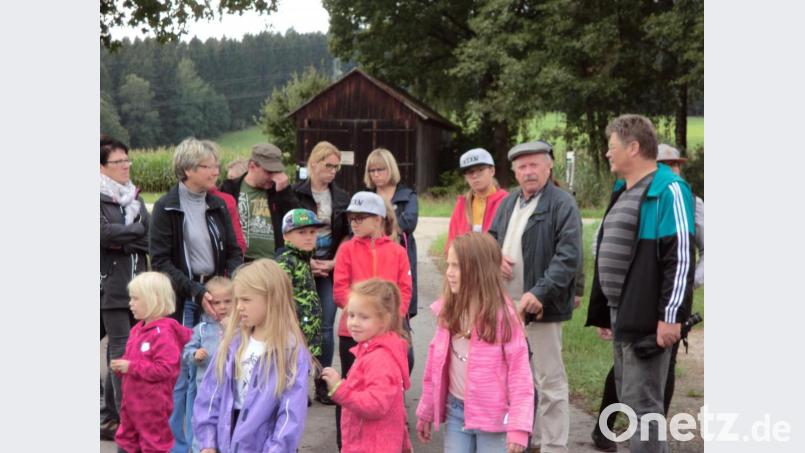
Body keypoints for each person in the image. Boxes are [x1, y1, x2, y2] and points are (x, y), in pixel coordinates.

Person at [586, 115, 695, 453]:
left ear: (633, 148)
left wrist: (671, 316)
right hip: (623, 313)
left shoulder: (669, 190)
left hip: (649, 317)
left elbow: (680, 258)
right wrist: (605, 313)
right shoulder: (624, 190)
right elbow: (611, 251)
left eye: (612, 148)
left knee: (644, 407)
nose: (607, 154)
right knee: (628, 399)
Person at [149, 138, 243, 453]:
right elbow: (160, 260)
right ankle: (179, 445)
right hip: (183, 297)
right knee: (180, 374)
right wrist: (196, 290)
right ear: (188, 169)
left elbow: (234, 251)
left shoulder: (218, 203)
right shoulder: (165, 206)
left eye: (216, 165)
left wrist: (225, 287)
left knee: (210, 374)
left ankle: (205, 443)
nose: (216, 170)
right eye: (209, 166)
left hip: (216, 296)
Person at [488, 140, 582, 453]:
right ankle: (529, 437)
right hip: (506, 306)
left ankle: (554, 445)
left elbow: (568, 257)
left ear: (548, 166)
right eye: (522, 166)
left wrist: (539, 292)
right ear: (514, 171)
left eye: (534, 165)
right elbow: (490, 240)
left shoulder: (561, 203)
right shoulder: (509, 202)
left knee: (549, 379)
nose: (528, 172)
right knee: (516, 377)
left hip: (542, 307)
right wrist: (493, 257)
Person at [416, 232, 534, 453]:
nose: (449, 273)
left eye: (457, 266)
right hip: (456, 412)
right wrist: (426, 409)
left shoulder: (504, 317)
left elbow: (520, 375)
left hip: (495, 419)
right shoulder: (448, 310)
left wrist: (518, 427)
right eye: (448, 265)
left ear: (479, 271)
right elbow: (435, 364)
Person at [192, 259, 311, 453]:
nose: (238, 307)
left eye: (246, 300)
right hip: (226, 440)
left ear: (272, 299)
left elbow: (290, 414)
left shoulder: (290, 351)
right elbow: (210, 395)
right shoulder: (232, 343)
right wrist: (208, 442)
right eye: (237, 299)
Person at [333, 191, 412, 450]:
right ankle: (345, 443)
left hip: (388, 331)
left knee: (384, 387)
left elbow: (405, 289)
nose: (354, 222)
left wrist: (388, 322)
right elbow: (340, 289)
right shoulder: (346, 249)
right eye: (351, 218)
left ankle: (388, 437)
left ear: (378, 219)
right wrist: (360, 313)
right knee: (348, 387)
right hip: (351, 333)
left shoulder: (398, 251)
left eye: (361, 217)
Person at [320, 279, 413, 453]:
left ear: (384, 320)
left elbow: (376, 405)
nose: (354, 322)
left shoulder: (380, 359)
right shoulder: (370, 350)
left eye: (364, 317)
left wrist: (340, 389)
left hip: (372, 445)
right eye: (351, 315)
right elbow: (396, 408)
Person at [291, 141, 351, 404]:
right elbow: (287, 230)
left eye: (336, 167)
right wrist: (306, 261)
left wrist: (335, 262)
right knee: (296, 327)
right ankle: (297, 386)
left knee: (325, 326)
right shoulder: (295, 194)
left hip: (328, 268)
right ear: (313, 163)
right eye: (328, 165)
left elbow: (348, 235)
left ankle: (323, 383)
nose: (333, 171)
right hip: (302, 266)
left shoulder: (341, 197)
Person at [100, 136, 150, 440]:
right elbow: (101, 234)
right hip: (111, 284)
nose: (125, 166)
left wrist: (124, 237)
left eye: (127, 160)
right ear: (102, 166)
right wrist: (132, 232)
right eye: (118, 162)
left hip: (139, 284)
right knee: (120, 348)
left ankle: (109, 416)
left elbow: (147, 236)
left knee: (128, 348)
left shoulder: (135, 197)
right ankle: (125, 419)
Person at [111, 272, 192, 453]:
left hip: (153, 409)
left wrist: (131, 367)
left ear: (153, 299)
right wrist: (122, 366)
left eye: (135, 299)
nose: (130, 304)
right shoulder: (136, 330)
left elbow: (166, 369)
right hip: (131, 406)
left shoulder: (164, 333)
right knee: (125, 443)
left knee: (152, 446)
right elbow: (132, 362)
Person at [364, 148, 419, 324]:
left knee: (400, 318)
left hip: (400, 257)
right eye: (372, 170)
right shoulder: (365, 197)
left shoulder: (407, 195)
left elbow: (409, 222)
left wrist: (375, 229)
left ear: (391, 169)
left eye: (380, 169)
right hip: (370, 258)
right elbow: (355, 226)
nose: (376, 174)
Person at [219, 143, 299, 262]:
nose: (273, 177)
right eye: (269, 172)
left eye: (277, 172)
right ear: (252, 166)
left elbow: (298, 221)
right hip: (240, 262)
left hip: (273, 263)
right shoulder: (229, 189)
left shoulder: (280, 190)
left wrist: (285, 193)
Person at [181, 277, 234, 453]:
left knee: (228, 430)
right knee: (202, 429)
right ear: (207, 303)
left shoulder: (240, 327)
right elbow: (186, 352)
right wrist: (195, 355)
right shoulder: (201, 329)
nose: (223, 307)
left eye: (227, 301)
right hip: (206, 392)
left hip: (231, 392)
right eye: (217, 302)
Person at [276, 208, 325, 360]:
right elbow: (279, 300)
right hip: (293, 339)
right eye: (301, 232)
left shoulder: (303, 260)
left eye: (312, 232)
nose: (309, 237)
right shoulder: (286, 261)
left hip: (309, 337)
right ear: (286, 235)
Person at [445, 148, 508, 252]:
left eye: (480, 169)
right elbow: (452, 242)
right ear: (465, 177)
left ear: (492, 171)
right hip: (466, 265)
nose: (475, 175)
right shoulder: (462, 204)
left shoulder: (507, 201)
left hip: (495, 265)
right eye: (470, 172)